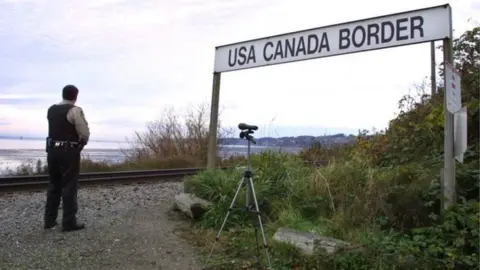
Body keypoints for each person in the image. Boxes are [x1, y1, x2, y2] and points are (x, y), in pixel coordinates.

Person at [44, 84, 90, 232]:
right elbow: (84, 132)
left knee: (54, 185)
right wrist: (81, 143)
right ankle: (69, 222)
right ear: (75, 96)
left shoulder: (51, 109)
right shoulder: (75, 110)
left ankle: (49, 221)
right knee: (69, 186)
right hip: (68, 151)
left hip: (51, 150)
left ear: (63, 94)